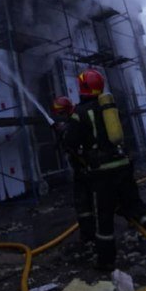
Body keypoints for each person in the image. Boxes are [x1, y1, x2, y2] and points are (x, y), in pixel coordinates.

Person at [60, 68, 146, 271]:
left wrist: (64, 133)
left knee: (104, 217)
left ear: (83, 88)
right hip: (123, 166)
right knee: (137, 207)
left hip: (102, 174)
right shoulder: (109, 108)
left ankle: (106, 261)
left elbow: (71, 143)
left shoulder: (79, 113)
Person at [50, 95, 95, 244]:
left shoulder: (76, 119)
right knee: (83, 204)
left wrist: (63, 133)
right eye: (58, 114)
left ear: (67, 110)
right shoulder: (72, 120)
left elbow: (72, 141)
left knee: (94, 201)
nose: (60, 117)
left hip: (88, 168)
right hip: (82, 170)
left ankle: (93, 234)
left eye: (61, 113)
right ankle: (88, 235)